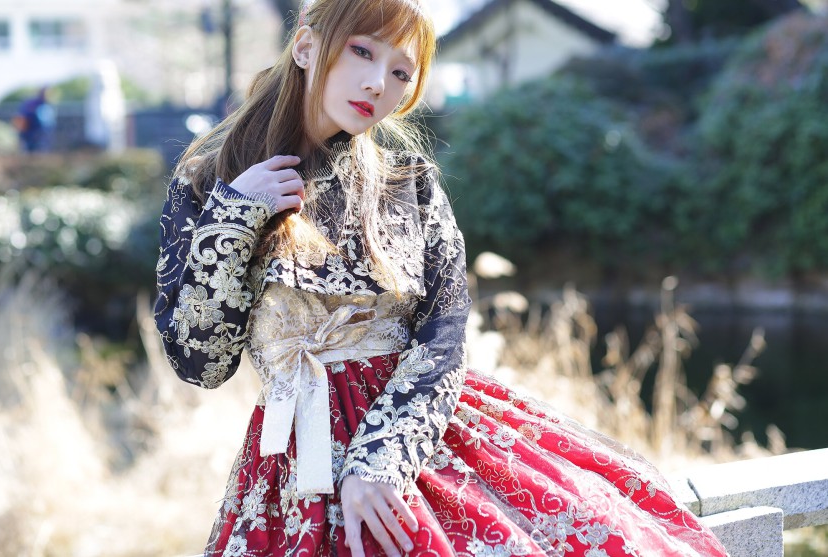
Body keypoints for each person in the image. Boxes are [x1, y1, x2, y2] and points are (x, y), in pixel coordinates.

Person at [154, 1, 730, 555]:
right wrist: (233, 218)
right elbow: (201, 364)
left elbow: (445, 336)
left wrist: (380, 460)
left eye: (400, 72)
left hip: (416, 438)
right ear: (305, 46)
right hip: (293, 464)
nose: (377, 83)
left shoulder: (409, 182)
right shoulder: (207, 183)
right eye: (362, 51)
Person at [13, 87, 55, 153]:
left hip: (41, 133)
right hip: (30, 132)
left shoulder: (45, 105)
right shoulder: (32, 104)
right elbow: (21, 117)